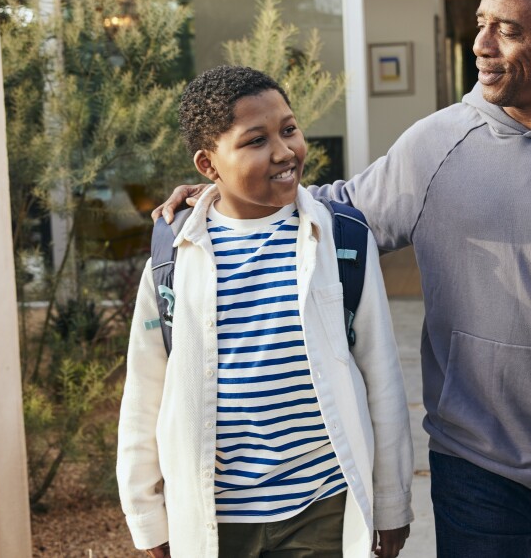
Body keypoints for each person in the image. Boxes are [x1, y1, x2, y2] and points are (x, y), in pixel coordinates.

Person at [156, 0, 531, 557]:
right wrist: (225, 196)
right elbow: (341, 209)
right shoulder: (438, 144)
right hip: (473, 461)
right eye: (481, 21)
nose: (479, 45)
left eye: (507, 30)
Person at [118, 65, 414, 558]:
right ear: (209, 165)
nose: (283, 151)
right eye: (255, 140)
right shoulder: (175, 254)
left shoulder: (339, 240)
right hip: (216, 515)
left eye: (289, 129)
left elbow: (381, 377)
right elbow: (145, 392)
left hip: (322, 507)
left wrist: (390, 504)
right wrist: (148, 516)